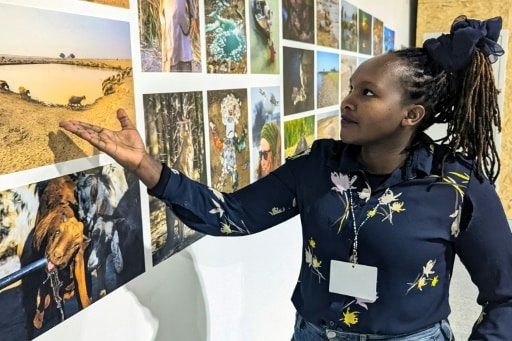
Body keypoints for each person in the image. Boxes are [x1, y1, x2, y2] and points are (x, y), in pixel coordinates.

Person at [60, 15, 512, 340]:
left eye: (367, 93)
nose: (347, 101)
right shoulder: (317, 167)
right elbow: (231, 215)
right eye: (351, 87)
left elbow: (505, 296)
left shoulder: (455, 186)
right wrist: (147, 168)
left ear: (411, 114)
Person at [159, 0, 198, 72]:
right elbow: (161, 7)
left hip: (182, 22)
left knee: (184, 48)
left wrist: (194, 18)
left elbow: (190, 2)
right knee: (172, 48)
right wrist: (163, 21)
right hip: (170, 22)